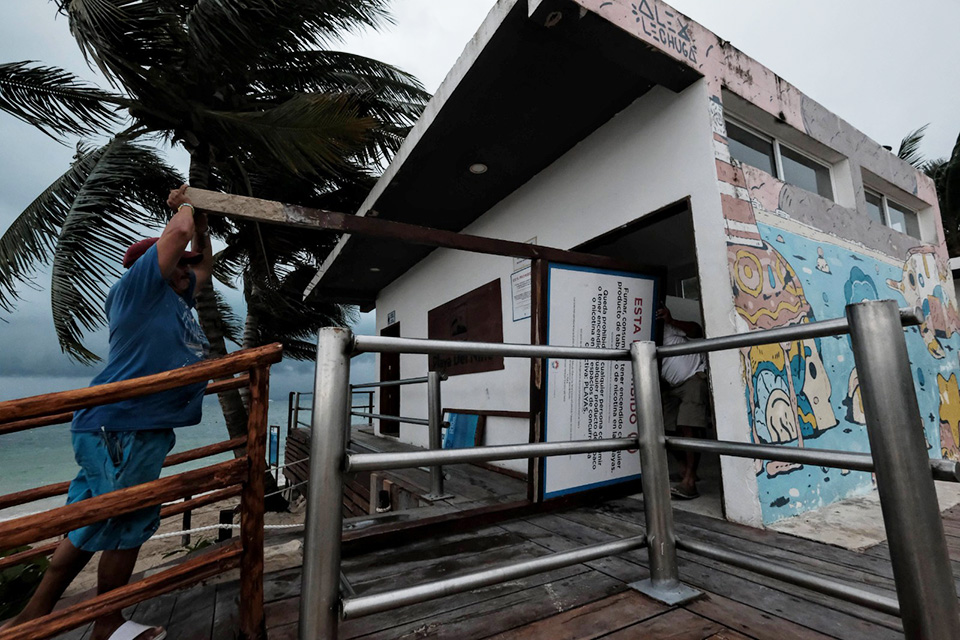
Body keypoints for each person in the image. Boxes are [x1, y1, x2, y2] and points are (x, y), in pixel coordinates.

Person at [1, 185, 212, 640]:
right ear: (153, 267)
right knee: (126, 521)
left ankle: (34, 614)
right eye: (180, 263)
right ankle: (107, 623)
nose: (188, 272)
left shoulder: (177, 300)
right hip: (125, 426)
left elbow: (204, 265)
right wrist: (186, 205)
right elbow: (177, 232)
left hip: (128, 426)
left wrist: (206, 218)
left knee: (90, 519)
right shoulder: (138, 289)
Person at [657, 304, 709, 500]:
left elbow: (697, 330)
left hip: (694, 376)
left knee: (689, 425)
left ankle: (689, 482)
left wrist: (671, 320)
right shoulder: (642, 334)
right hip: (672, 386)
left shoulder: (667, 327)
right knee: (664, 426)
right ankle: (686, 469)